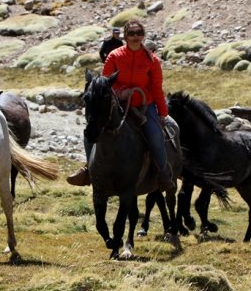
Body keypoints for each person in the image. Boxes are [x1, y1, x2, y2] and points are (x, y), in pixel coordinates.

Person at [67, 19, 175, 191]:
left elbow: (156, 88)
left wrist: (162, 112)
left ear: (143, 35)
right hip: (118, 105)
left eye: (139, 33)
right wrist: (122, 92)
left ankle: (162, 174)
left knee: (156, 136)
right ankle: (90, 170)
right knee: (91, 131)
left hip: (143, 106)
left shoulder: (152, 60)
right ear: (125, 36)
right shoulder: (114, 56)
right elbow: (105, 84)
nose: (135, 37)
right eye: (131, 33)